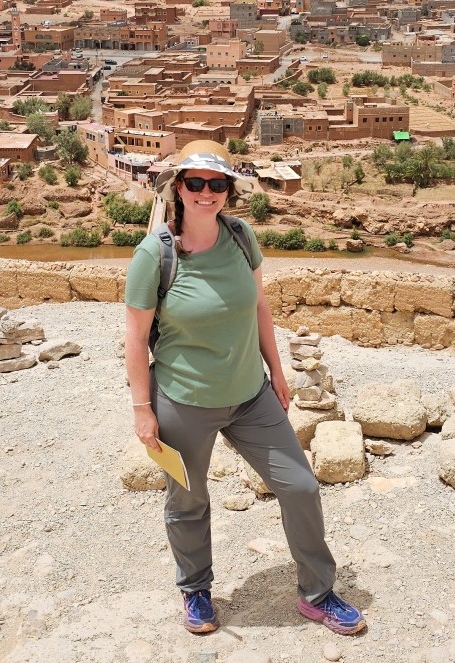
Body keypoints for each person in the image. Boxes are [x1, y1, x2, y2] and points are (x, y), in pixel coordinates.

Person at [124, 141, 365, 637]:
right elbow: (133, 337)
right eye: (196, 183)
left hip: (250, 395)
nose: (206, 193)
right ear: (179, 188)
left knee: (300, 487)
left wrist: (277, 371)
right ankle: (195, 590)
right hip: (184, 401)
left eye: (216, 184)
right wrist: (142, 409)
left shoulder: (240, 236)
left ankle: (317, 593)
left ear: (228, 190)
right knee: (188, 499)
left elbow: (259, 307)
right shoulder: (155, 254)